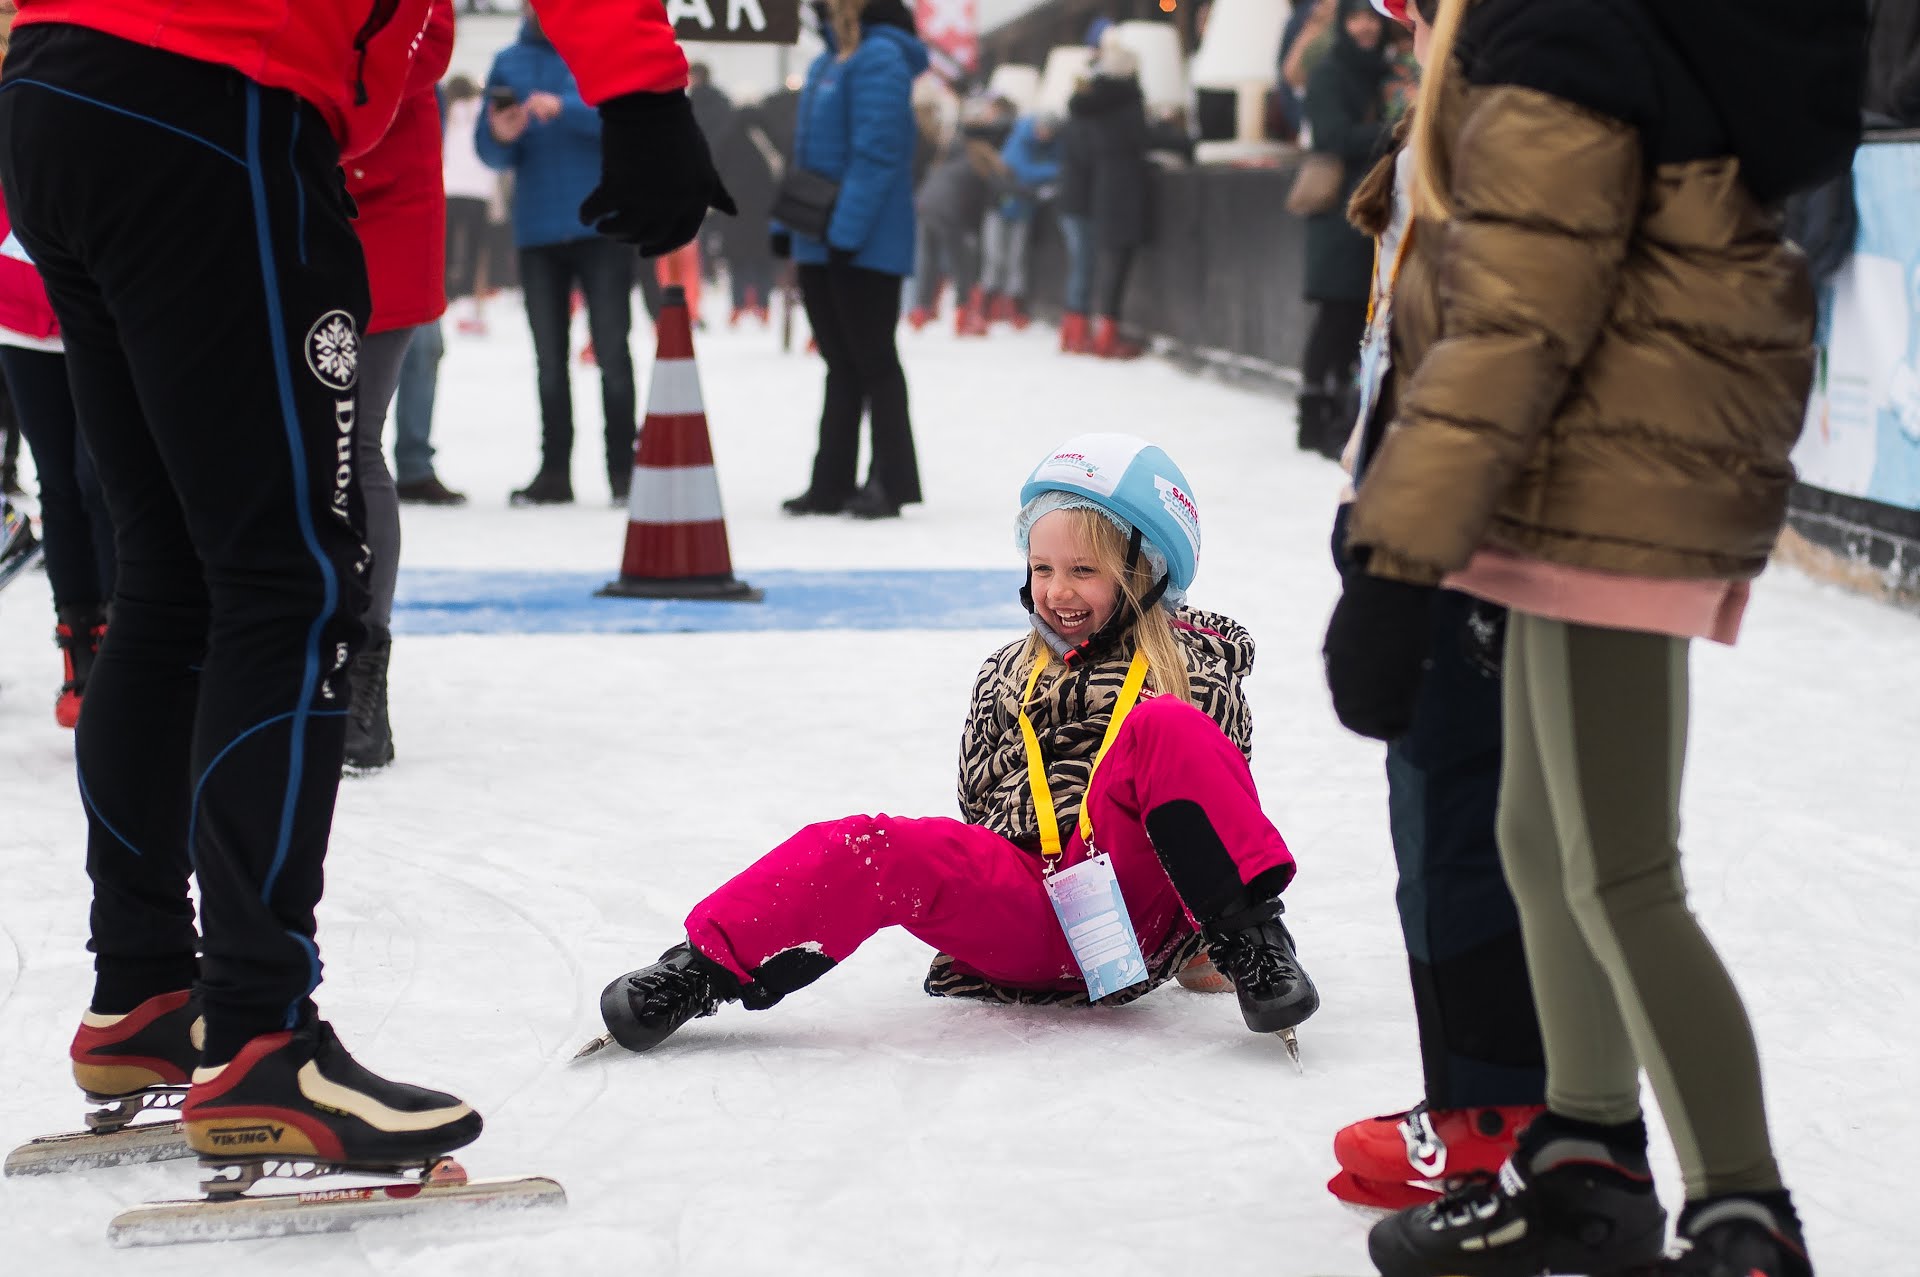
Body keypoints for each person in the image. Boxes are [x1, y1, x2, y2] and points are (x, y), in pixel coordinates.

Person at [0, 0, 728, 1174]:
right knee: (286, 581)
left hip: (59, 81)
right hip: (217, 85)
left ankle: (142, 988)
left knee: (173, 576)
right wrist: (642, 94)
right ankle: (258, 1032)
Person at [1321, 0, 1866, 1273]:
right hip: (1572, 468)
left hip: (1606, 479)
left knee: (1621, 869)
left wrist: (1398, 558)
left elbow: (1520, 305)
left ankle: (1744, 1212)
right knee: (1533, 833)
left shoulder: (1558, 21)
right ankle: (1585, 1159)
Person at [594, 434, 1319, 1055]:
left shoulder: (1193, 666)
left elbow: (1220, 797)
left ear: (1146, 570)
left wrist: (1199, 931)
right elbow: (977, 800)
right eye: (1042, 568)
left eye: (1084, 570)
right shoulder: (1005, 673)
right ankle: (701, 968)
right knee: (874, 843)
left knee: (1162, 728)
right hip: (1030, 907)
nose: (1057, 590)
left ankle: (1253, 943)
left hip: (1134, 898)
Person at [1320, 0, 1546, 1215]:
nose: (1399, 24)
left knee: (1467, 813)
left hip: (1475, 532)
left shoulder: (1506, 98)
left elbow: (1485, 338)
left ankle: (1497, 1108)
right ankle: (1472, 1093)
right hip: (1418, 509)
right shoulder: (1439, 103)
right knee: (1433, 810)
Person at [340, 0, 455, 777]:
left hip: (377, 215)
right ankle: (274, 649)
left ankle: (361, 663)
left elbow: (419, 51)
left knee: (351, 445)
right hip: (280, 210)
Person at [478, 13, 643, 507]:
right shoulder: (507, 62)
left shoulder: (606, 49)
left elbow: (627, 120)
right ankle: (554, 472)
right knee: (549, 360)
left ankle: (625, 471)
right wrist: (501, 135)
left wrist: (564, 109)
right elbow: (489, 153)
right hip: (538, 229)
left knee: (613, 352)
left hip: (604, 225)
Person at [777, 0, 925, 521]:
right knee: (840, 362)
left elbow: (878, 154)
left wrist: (845, 232)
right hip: (823, 238)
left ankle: (890, 481)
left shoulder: (879, 57)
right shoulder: (828, 61)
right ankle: (831, 483)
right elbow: (806, 157)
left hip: (866, 242)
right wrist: (787, 226)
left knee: (873, 360)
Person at [0, 160, 116, 727]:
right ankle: (81, 653)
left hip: (99, 307)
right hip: (18, 309)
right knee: (60, 486)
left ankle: (127, 646)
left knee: (103, 482)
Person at [1296, 0, 1390, 460]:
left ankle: (1343, 416)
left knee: (1359, 317)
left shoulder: (1385, 71)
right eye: (1356, 17)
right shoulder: (1330, 72)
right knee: (1336, 316)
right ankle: (1314, 420)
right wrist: (1392, 131)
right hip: (1338, 214)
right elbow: (1331, 136)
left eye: (1372, 17)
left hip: (1371, 210)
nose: (1366, 26)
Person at [1068, 32, 1153, 360]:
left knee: (1102, 264)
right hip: (1126, 187)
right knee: (1116, 264)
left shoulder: (1090, 106)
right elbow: (1142, 138)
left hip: (1102, 189)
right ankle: (1107, 334)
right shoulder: (1128, 101)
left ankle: (1086, 332)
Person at [980, 109, 1061, 329]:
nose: (1044, 135)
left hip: (1025, 209)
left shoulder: (1053, 145)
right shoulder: (1020, 137)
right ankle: (986, 306)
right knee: (995, 256)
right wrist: (1051, 171)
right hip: (1001, 206)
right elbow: (1022, 170)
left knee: (1018, 257)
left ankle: (1013, 305)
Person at [442, 75, 496, 338]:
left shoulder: (447, 110)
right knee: (477, 251)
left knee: (446, 249)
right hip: (479, 188)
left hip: (448, 185)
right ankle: (475, 305)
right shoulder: (482, 110)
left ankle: (444, 297)